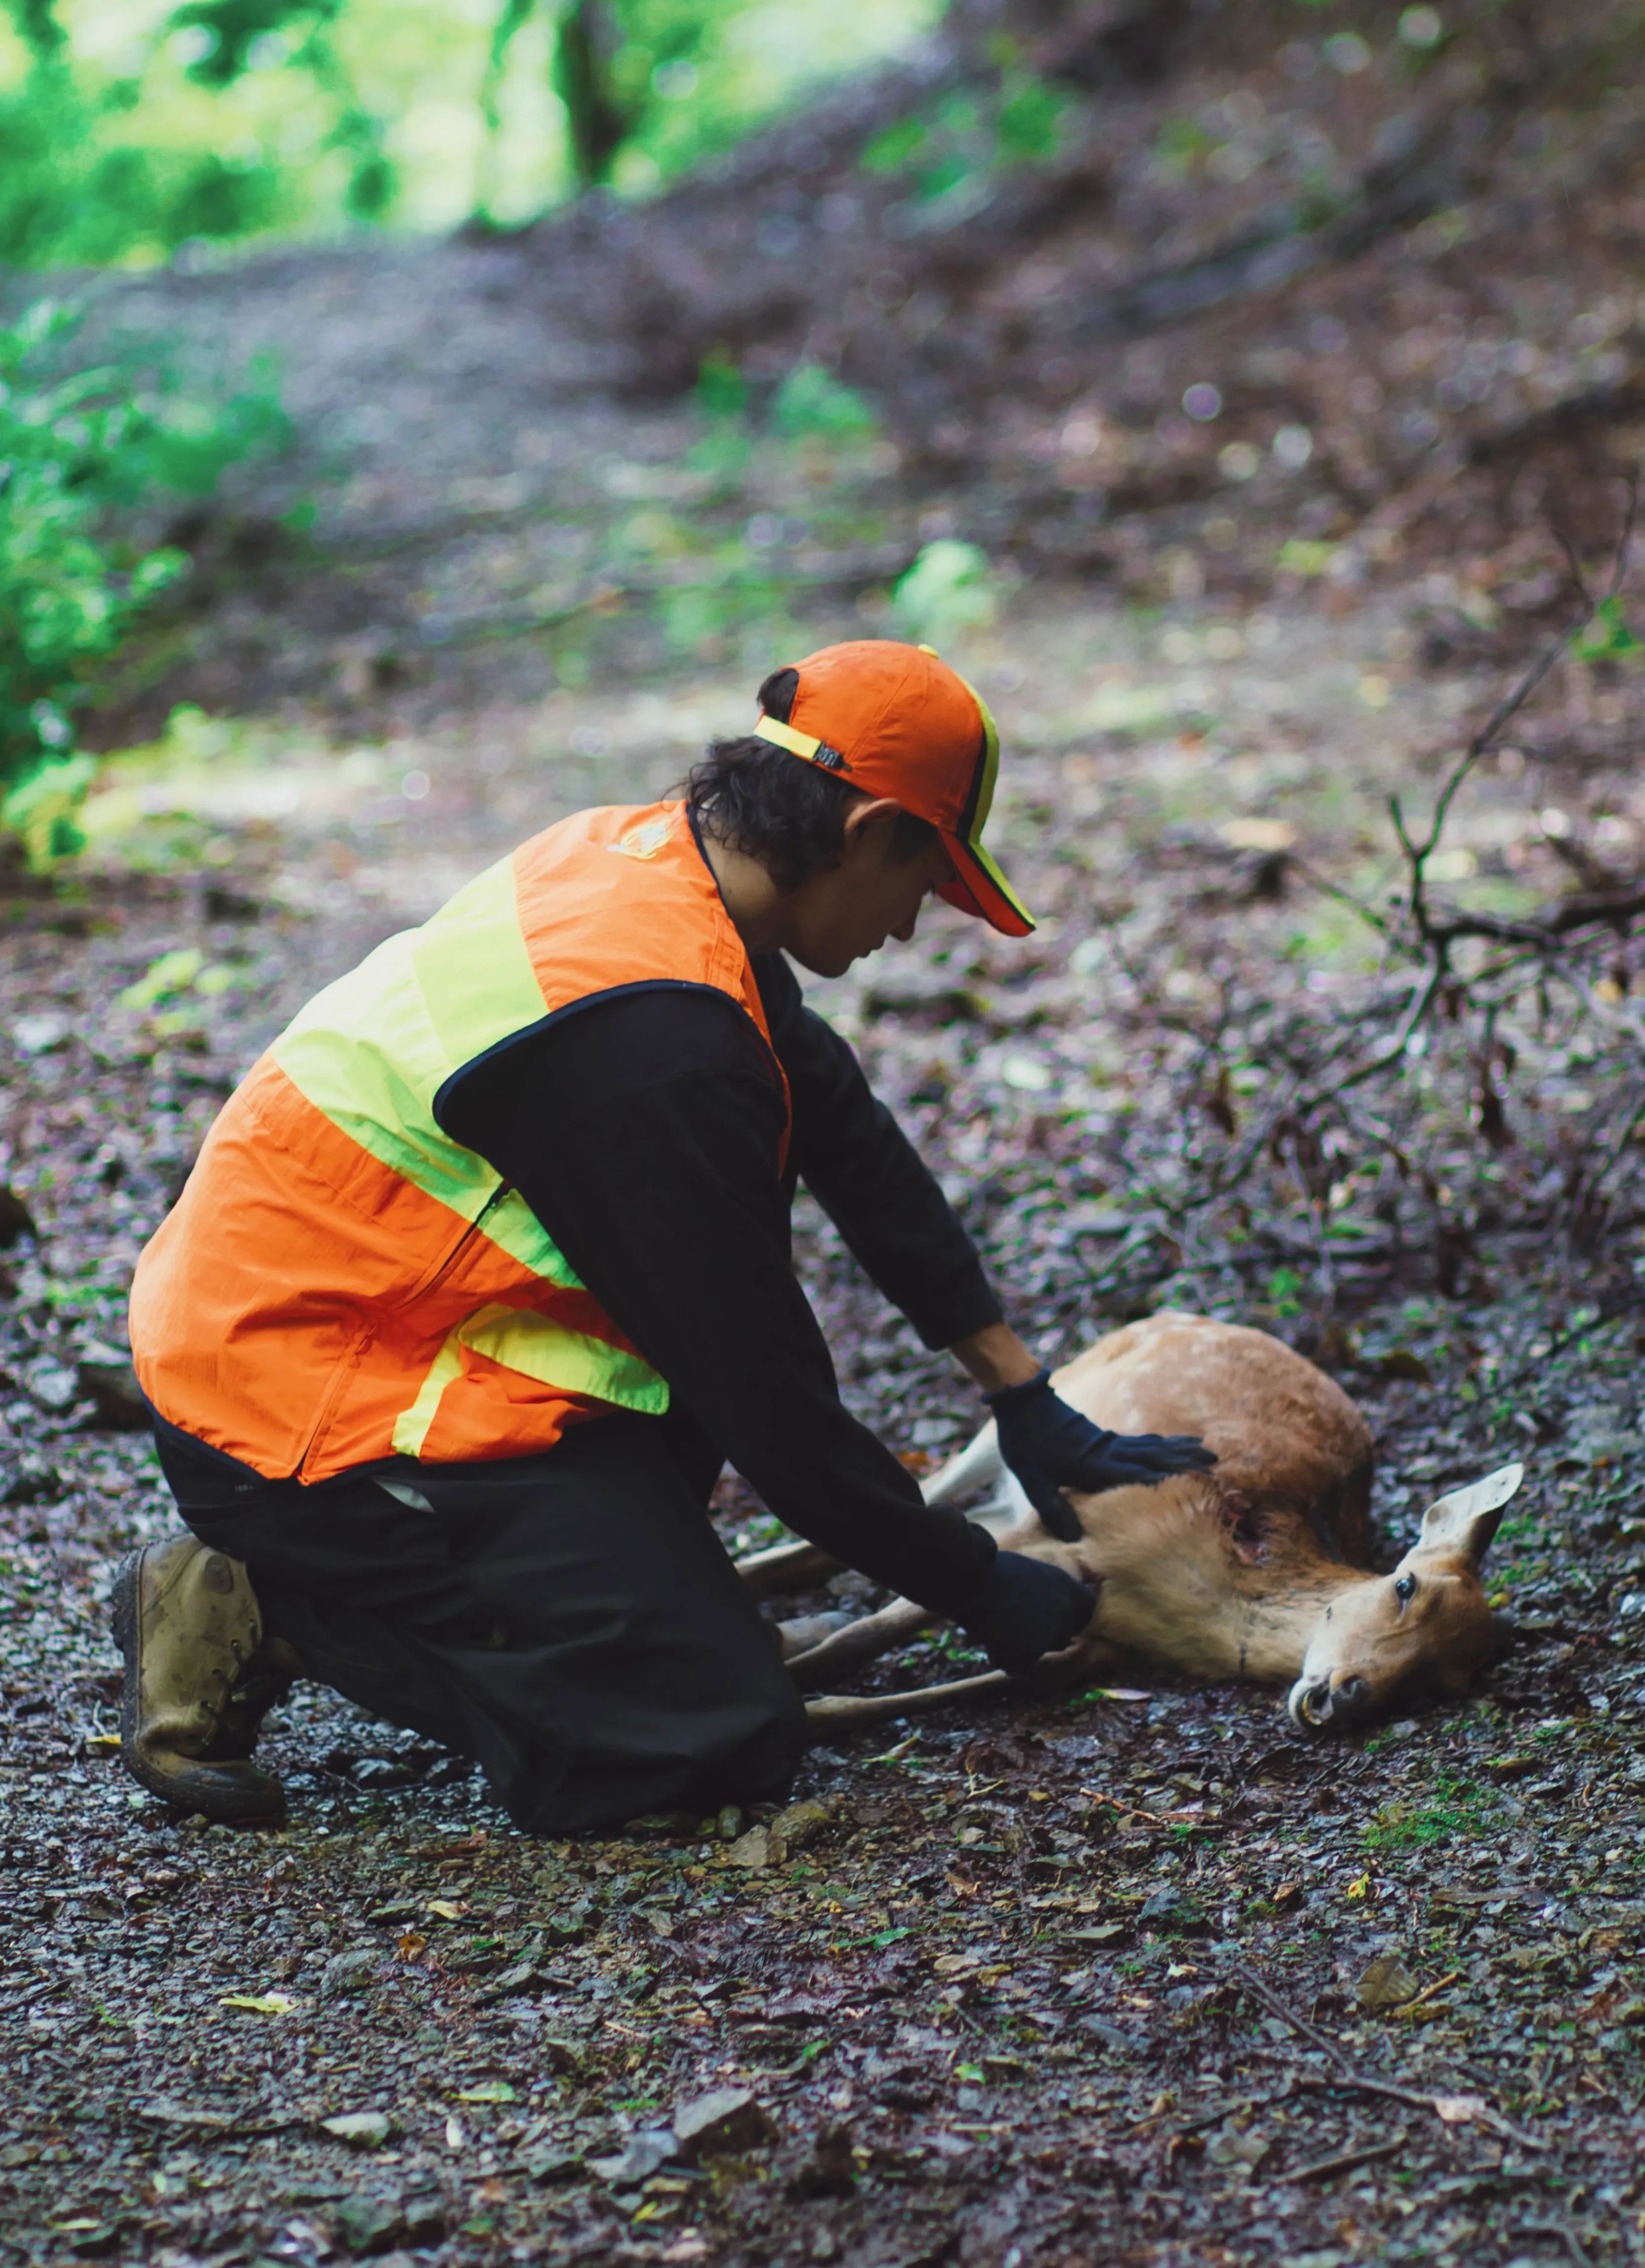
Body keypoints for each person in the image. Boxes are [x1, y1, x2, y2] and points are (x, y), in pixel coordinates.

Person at [115, 640, 1210, 1833]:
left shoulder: (663, 865)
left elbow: (845, 1129)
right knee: (708, 1738)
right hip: (299, 1411)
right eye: (926, 880)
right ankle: (268, 1593)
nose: (911, 926)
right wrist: (971, 1581)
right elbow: (765, 1395)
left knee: (689, 1594)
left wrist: (1021, 1394)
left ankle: (562, 1609)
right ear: (866, 829)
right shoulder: (651, 1041)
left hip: (399, 1342)